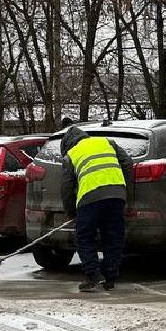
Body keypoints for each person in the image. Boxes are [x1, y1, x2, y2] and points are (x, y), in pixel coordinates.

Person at [60, 125, 133, 292]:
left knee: (84, 237)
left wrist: (71, 212)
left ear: (67, 145)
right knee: (113, 236)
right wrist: (124, 189)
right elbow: (127, 162)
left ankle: (93, 275)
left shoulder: (71, 155)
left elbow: (66, 187)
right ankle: (110, 278)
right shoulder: (107, 142)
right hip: (116, 196)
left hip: (90, 197)